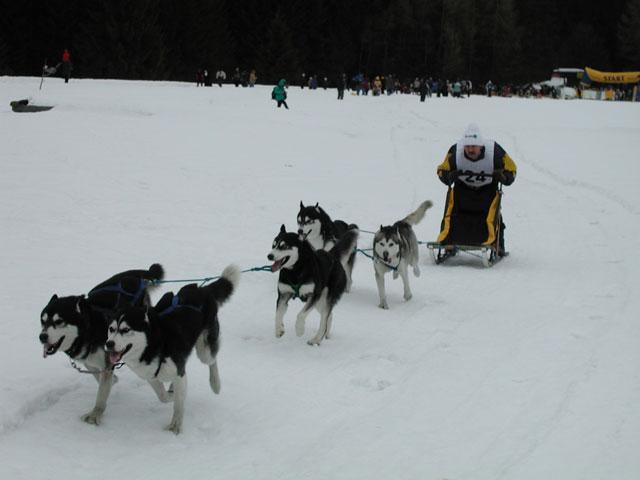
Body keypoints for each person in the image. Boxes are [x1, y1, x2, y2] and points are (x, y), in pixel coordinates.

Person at [436, 123, 517, 255]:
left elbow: (512, 169)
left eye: (473, 146)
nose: (470, 150)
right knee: (453, 210)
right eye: (467, 147)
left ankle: (498, 243)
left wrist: (504, 177)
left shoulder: (494, 152)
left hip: (487, 189)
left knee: (493, 212)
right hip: (463, 189)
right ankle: (448, 241)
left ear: (481, 146)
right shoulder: (456, 152)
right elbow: (442, 170)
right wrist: (448, 176)